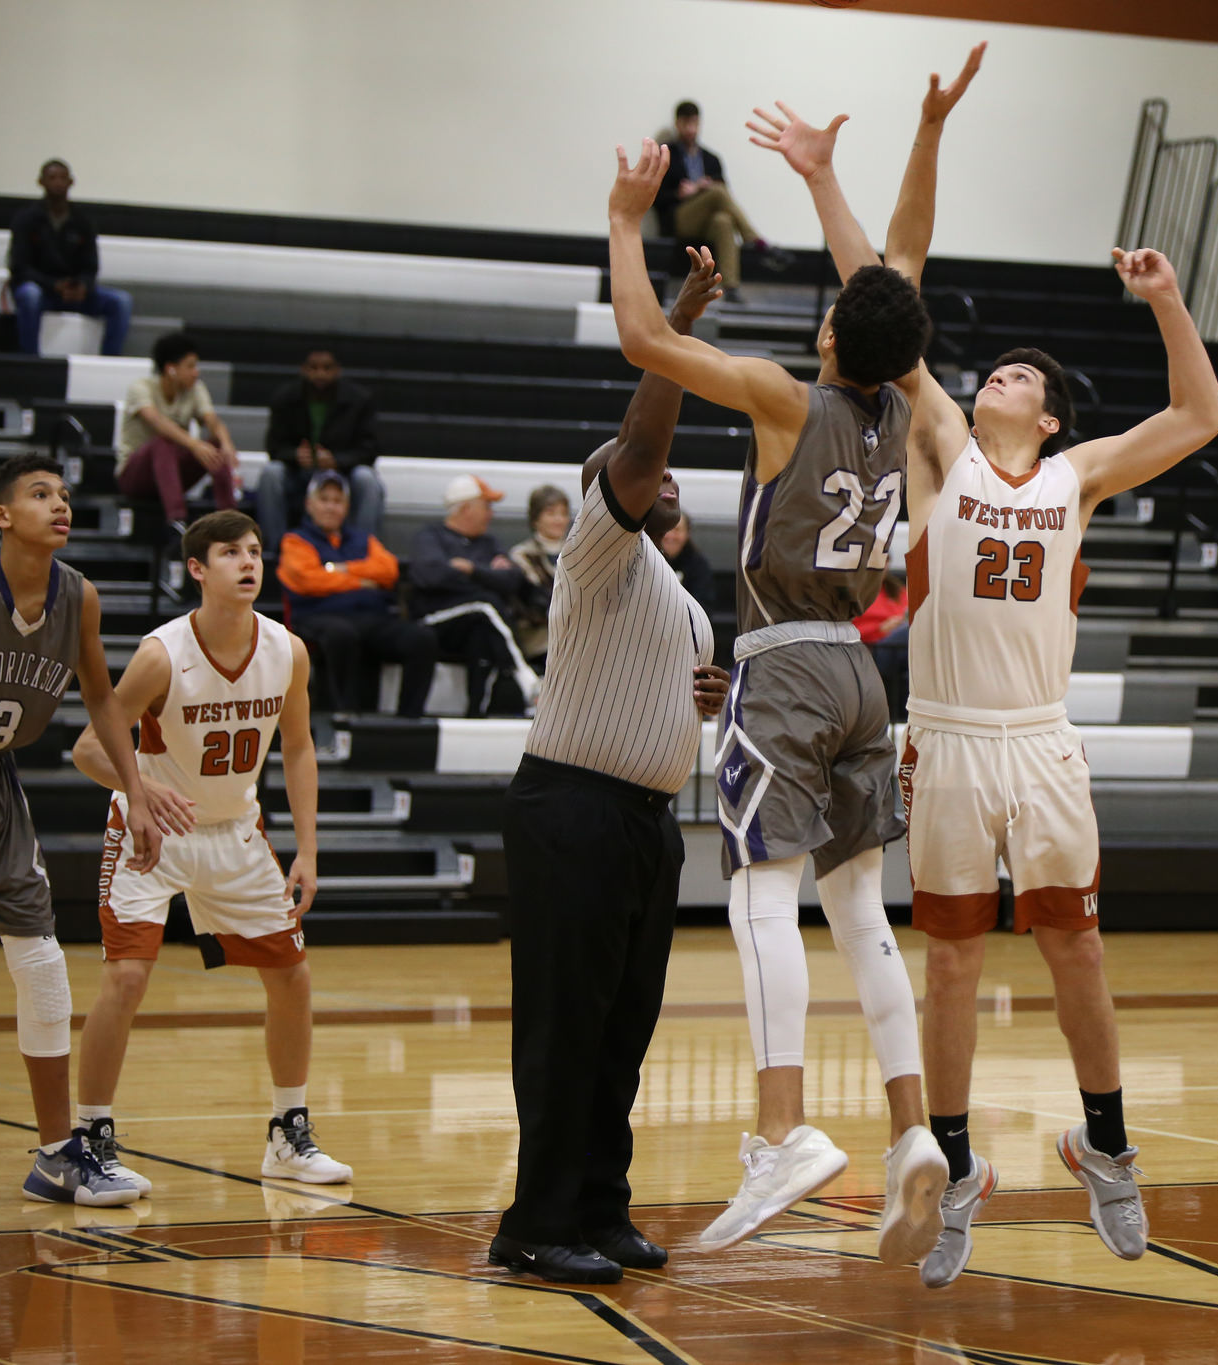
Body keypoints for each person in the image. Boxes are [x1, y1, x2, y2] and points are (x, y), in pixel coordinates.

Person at [758, 42, 1218, 1289]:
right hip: (950, 734)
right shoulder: (945, 448)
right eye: (993, 371)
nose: (996, 376)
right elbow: (880, 295)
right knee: (956, 957)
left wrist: (1165, 299)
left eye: (1020, 374)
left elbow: (1198, 420)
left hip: (1040, 734)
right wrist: (844, 169)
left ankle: (1108, 1145)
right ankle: (958, 1158)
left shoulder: (1076, 473)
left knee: (1075, 947)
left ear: (1053, 413)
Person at [607, 134, 947, 1263]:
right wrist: (916, 136)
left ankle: (780, 1130)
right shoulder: (904, 410)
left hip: (785, 663)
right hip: (862, 667)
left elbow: (644, 339)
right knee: (860, 915)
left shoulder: (782, 399)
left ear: (836, 332)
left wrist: (623, 219)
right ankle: (912, 1132)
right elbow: (901, 260)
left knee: (761, 897)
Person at [489, 250, 730, 1284]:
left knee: (620, 1031)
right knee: (564, 1029)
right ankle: (532, 1222)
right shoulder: (594, 548)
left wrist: (707, 694)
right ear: (606, 493)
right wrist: (672, 330)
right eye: (639, 468)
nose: (657, 470)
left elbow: (670, 685)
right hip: (572, 810)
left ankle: (597, 1207)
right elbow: (638, 442)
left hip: (643, 822)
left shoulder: (671, 588)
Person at [72, 510, 352, 1193]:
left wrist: (308, 849)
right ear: (198, 569)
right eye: (231, 552)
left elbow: (299, 746)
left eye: (254, 551)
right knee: (127, 977)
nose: (248, 562)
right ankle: (90, 1135)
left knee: (291, 974)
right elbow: (86, 749)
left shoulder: (288, 650)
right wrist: (139, 791)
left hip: (236, 832)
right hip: (152, 833)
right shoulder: (162, 653)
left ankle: (289, 1132)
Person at [0, 454, 166, 1206]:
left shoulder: (81, 597)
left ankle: (55, 1156)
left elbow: (105, 704)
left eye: (66, 494)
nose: (60, 504)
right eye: (40, 494)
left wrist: (136, 793)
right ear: (2, 516)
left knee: (42, 958)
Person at [278, 470, 436, 720]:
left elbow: (389, 570)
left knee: (422, 638)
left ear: (347, 507)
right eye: (324, 499)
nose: (331, 507)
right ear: (310, 504)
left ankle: (409, 720)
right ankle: (345, 716)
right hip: (318, 614)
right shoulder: (295, 541)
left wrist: (337, 569)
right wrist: (362, 579)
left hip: (372, 617)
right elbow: (307, 579)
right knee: (341, 634)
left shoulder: (364, 539)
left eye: (337, 500)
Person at [407, 477, 538, 717]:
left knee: (482, 633)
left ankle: (477, 712)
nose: (491, 514)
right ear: (466, 508)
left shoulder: (489, 542)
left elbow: (511, 580)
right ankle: (527, 680)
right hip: (434, 618)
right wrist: (487, 574)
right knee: (486, 604)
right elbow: (430, 575)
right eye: (486, 507)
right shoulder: (431, 536)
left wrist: (470, 568)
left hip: (471, 622)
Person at [257, 348, 384, 551]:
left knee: (367, 479)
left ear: (338, 371)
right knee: (271, 473)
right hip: (298, 473)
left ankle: (364, 550)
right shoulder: (284, 398)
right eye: (313, 368)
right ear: (303, 370)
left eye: (327, 368)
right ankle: (275, 550)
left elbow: (370, 450)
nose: (320, 374)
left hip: (343, 474)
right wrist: (295, 455)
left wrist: (337, 460)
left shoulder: (360, 400)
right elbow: (274, 447)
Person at [117, 333, 239, 539]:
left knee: (215, 443)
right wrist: (194, 444)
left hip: (172, 474)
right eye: (190, 366)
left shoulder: (196, 389)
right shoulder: (140, 388)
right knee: (163, 443)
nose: (196, 373)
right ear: (171, 369)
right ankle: (177, 521)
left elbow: (212, 421)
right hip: (135, 476)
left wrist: (226, 444)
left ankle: (231, 521)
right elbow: (157, 422)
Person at [8, 159, 132, 356]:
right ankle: (29, 358)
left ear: (71, 182)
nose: (57, 182)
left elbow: (91, 266)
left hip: (75, 293)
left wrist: (82, 285)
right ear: (41, 182)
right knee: (29, 295)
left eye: (62, 178)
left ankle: (109, 360)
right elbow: (19, 267)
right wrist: (53, 285)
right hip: (42, 291)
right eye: (52, 178)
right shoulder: (26, 219)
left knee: (121, 301)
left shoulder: (83, 221)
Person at [662, 100, 784, 296]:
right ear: (677, 124)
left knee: (724, 220)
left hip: (707, 220)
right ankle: (755, 241)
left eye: (694, 123)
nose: (690, 129)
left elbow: (725, 200)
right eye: (686, 124)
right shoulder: (667, 155)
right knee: (717, 191)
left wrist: (704, 188)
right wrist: (684, 192)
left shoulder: (711, 159)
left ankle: (731, 287)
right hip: (680, 217)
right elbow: (656, 198)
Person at [509, 485, 571, 670]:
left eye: (563, 513)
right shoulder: (522, 555)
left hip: (579, 634)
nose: (559, 520)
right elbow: (540, 599)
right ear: (536, 519)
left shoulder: (579, 552)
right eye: (551, 514)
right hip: (541, 638)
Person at [854, 569, 909, 720]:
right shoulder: (857, 591)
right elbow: (848, 629)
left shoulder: (896, 589)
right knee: (909, 633)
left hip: (898, 649)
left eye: (885, 561)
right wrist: (879, 629)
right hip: (871, 651)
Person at [655, 511, 720, 616]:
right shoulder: (650, 561)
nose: (671, 535)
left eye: (677, 530)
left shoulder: (699, 565)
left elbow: (704, 607)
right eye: (667, 529)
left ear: (687, 534)